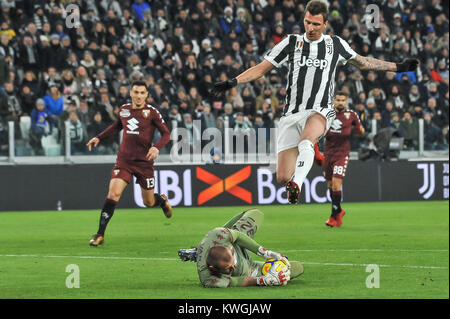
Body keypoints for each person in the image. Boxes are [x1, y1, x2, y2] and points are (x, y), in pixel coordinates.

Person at [211, 0, 419, 204]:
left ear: (325, 24)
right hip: (291, 114)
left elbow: (364, 62)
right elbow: (261, 68)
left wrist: (398, 67)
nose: (310, 28)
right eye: (307, 22)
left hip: (320, 109)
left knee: (307, 140)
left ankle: (298, 183)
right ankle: (298, 173)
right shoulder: (291, 42)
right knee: (282, 177)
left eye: (316, 24)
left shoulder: (335, 44)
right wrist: (233, 82)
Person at [86, 80, 172, 247]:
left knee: (148, 202)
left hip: (144, 163)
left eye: (142, 93)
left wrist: (156, 147)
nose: (139, 96)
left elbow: (166, 135)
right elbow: (115, 127)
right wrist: (99, 137)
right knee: (113, 194)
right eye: (136, 92)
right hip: (124, 160)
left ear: (147, 95)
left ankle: (160, 200)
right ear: (131, 93)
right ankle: (100, 234)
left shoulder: (152, 112)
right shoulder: (124, 110)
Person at [178, 208, 304, 287]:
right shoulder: (210, 280)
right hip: (248, 270)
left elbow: (238, 235)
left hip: (237, 245)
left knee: (256, 213)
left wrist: (264, 252)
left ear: (229, 249)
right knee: (296, 268)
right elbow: (236, 282)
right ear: (212, 268)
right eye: (228, 269)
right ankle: (199, 252)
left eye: (231, 263)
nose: (233, 268)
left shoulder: (218, 235)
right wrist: (262, 281)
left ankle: (198, 251)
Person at [314, 91, 365, 227]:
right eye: (338, 100)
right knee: (330, 185)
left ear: (346, 102)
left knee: (336, 184)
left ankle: (332, 216)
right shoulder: (326, 114)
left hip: (342, 154)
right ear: (333, 101)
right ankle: (339, 211)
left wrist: (359, 129)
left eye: (343, 100)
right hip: (328, 154)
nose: (340, 102)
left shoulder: (351, 115)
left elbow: (361, 130)